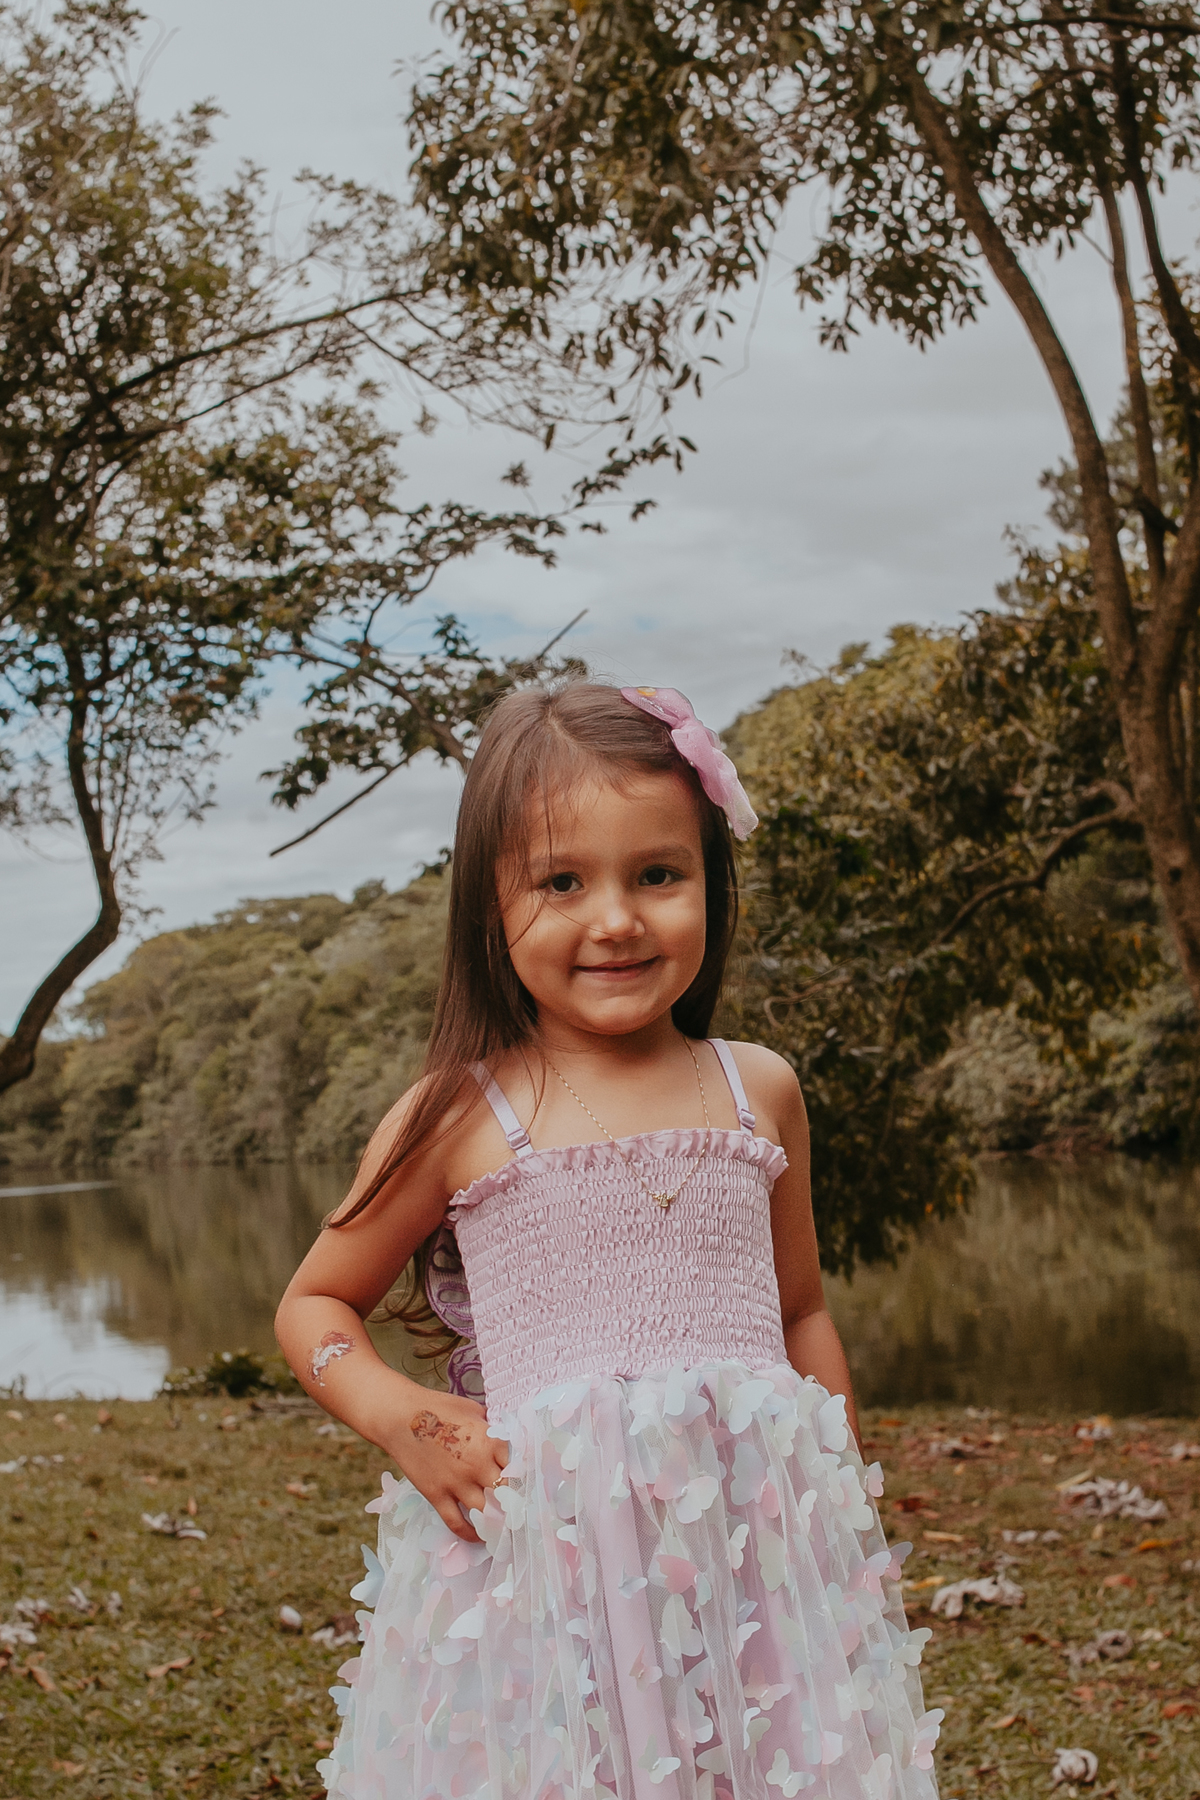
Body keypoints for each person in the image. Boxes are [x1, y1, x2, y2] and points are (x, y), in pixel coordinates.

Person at [275, 682, 942, 1800]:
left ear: (709, 882)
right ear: (491, 906)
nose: (618, 918)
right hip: (548, 1572)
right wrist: (405, 1418)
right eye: (562, 882)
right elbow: (314, 1305)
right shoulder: (457, 1114)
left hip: (754, 1573)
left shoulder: (758, 1089)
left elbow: (799, 1312)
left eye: (658, 875)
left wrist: (841, 1501)